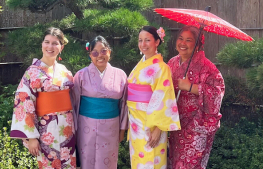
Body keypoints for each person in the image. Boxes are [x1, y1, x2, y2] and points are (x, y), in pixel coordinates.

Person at [10, 27, 76, 169]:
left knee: (68, 164)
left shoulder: (64, 71)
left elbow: (74, 98)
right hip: (46, 129)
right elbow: (24, 103)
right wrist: (31, 137)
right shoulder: (32, 72)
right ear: (42, 44)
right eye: (47, 42)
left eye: (55, 43)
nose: (50, 46)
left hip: (67, 127)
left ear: (61, 47)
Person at [167, 25, 225, 169]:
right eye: (180, 38)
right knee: (174, 164)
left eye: (189, 40)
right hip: (176, 124)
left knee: (189, 165)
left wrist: (190, 87)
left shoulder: (208, 67)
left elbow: (217, 92)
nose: (183, 43)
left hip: (197, 126)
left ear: (198, 44)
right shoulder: (172, 63)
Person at [127, 26, 181, 169]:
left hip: (152, 124)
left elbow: (165, 98)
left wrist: (159, 128)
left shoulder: (162, 68)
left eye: (147, 40)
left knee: (153, 160)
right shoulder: (139, 65)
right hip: (135, 122)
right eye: (140, 40)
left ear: (157, 42)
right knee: (138, 161)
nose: (143, 44)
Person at [73, 35, 128, 169]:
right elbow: (74, 104)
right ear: (90, 55)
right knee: (87, 160)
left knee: (108, 160)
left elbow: (124, 104)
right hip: (86, 125)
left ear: (109, 51)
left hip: (111, 126)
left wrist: (122, 129)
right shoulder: (81, 75)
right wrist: (73, 129)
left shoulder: (120, 75)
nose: (100, 56)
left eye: (103, 51)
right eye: (95, 53)